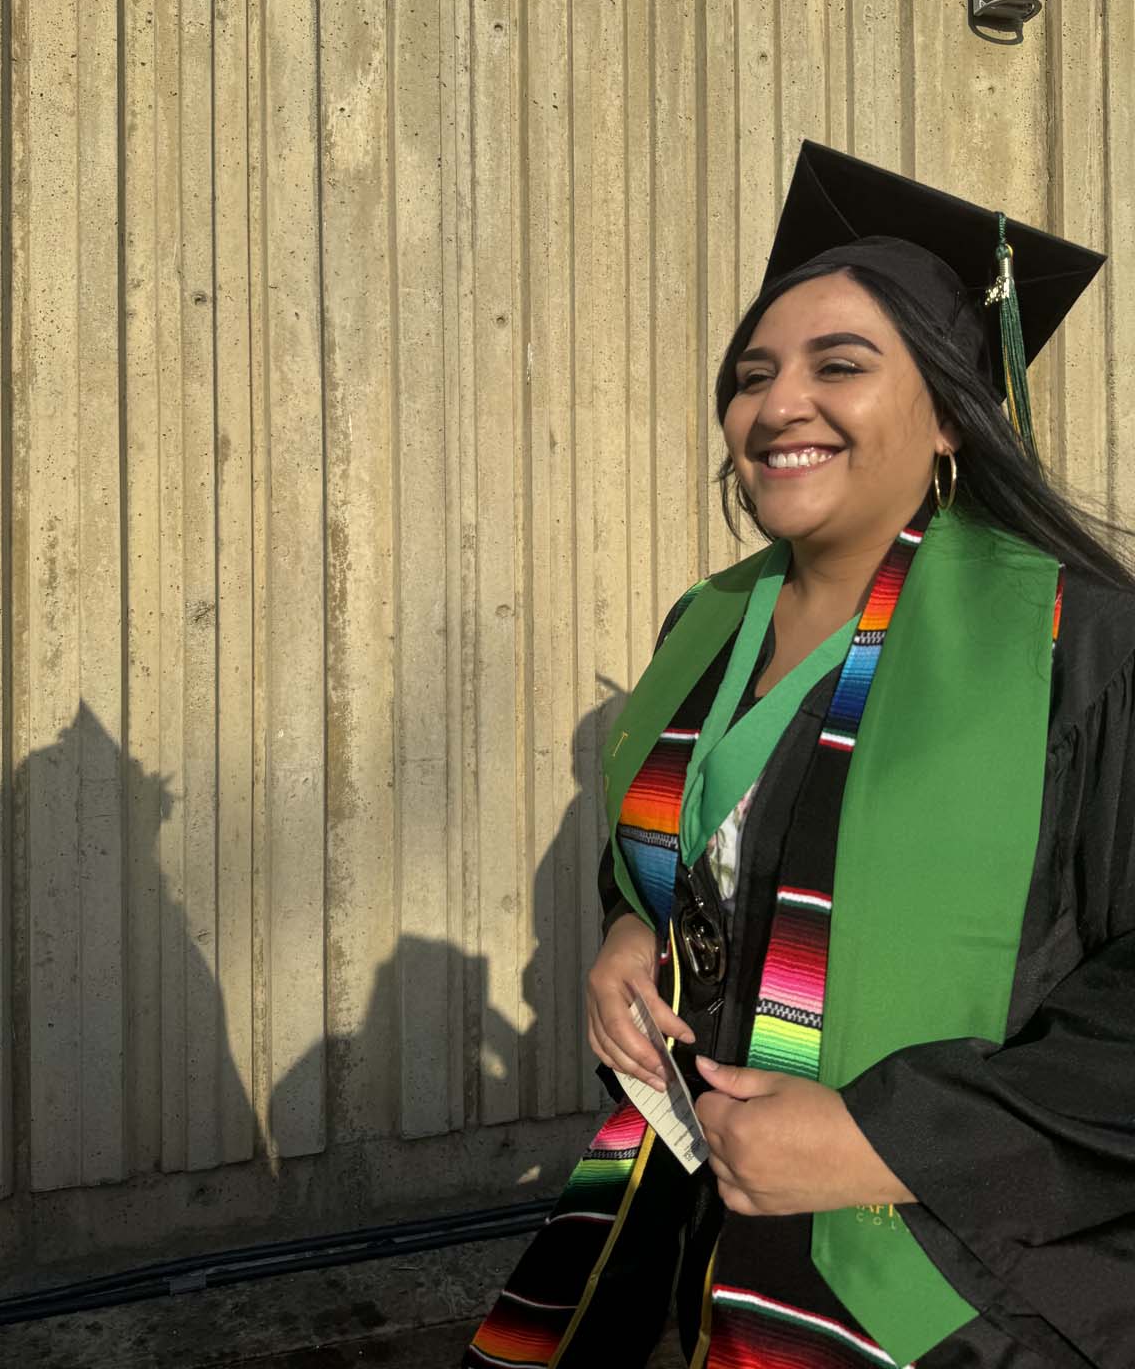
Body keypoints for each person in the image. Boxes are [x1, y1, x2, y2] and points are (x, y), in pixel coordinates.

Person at [463, 141, 1135, 1369]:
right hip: (723, 1228)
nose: (778, 405)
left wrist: (896, 1139)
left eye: (842, 366)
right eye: (751, 374)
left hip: (969, 1289)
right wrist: (633, 926)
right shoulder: (706, 624)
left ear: (950, 415)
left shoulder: (1080, 646)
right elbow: (697, 855)